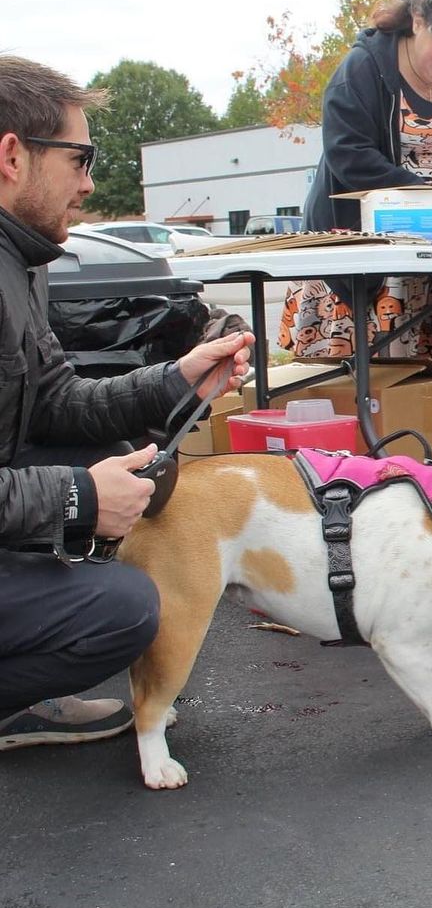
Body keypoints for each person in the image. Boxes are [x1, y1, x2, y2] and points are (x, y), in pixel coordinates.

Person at [0, 56, 254, 750]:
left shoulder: (20, 260)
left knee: (144, 472)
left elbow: (55, 400)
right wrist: (76, 499)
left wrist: (177, 379)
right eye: (79, 159)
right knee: (123, 610)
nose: (88, 183)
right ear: (13, 155)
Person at [280, 0, 432, 365]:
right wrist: (426, 197)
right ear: (418, 20)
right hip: (366, 249)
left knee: (425, 383)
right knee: (355, 381)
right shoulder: (363, 68)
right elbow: (347, 153)